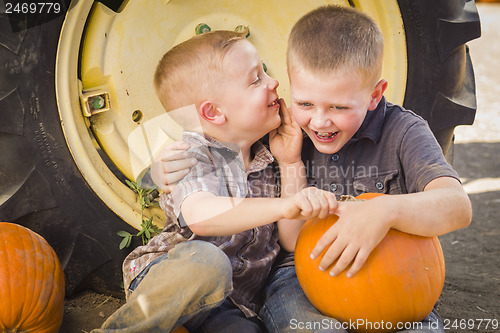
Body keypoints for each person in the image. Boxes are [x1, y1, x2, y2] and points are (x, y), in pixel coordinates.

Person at [154, 5, 472, 333]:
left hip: (399, 275)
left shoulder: (404, 131)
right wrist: (158, 169)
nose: (319, 122)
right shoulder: (284, 130)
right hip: (300, 277)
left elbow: (457, 207)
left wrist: (384, 211)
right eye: (305, 103)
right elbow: (289, 238)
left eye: (339, 107)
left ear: (375, 94)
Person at [93, 30, 337, 333]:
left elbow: (291, 240)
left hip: (233, 301)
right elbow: (201, 217)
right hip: (175, 280)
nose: (273, 82)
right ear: (214, 111)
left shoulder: (270, 156)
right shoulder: (192, 155)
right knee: (208, 262)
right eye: (256, 79)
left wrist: (290, 163)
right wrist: (285, 205)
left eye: (266, 72)